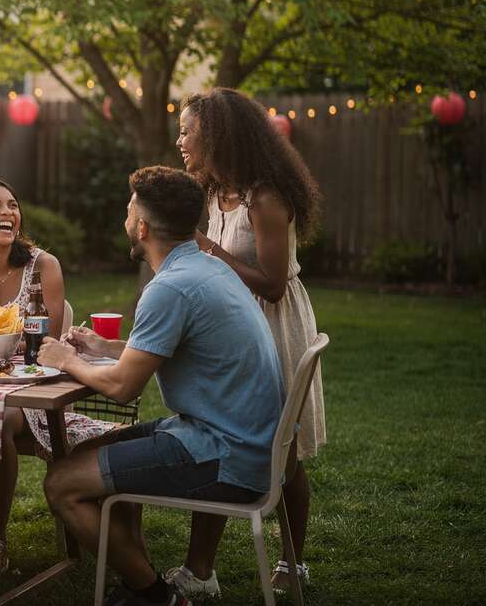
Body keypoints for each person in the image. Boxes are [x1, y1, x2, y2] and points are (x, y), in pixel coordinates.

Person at [40, 166, 285, 606]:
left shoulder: (171, 287)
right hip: (245, 441)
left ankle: (155, 596)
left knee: (62, 483)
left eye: (128, 211)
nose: (125, 219)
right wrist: (106, 346)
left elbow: (123, 387)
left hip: (226, 454)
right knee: (86, 455)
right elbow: (167, 350)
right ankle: (138, 579)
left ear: (142, 227)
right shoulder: (208, 268)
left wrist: (67, 359)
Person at [170, 88, 324, 597]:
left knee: (284, 453)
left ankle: (292, 561)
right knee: (218, 434)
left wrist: (208, 250)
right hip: (233, 324)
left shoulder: (265, 197)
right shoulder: (216, 192)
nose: (180, 141)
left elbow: (273, 284)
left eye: (188, 131)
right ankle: (200, 568)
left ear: (218, 135)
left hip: (272, 323)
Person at [0, 177, 113, 574]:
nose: (8, 212)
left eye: (12, 205)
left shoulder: (43, 265)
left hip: (28, 387)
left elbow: (48, 344)